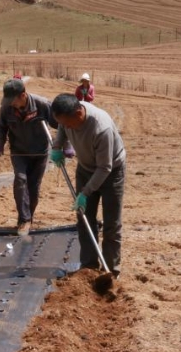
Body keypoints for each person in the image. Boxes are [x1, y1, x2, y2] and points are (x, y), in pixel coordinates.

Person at [49, 93, 126, 278]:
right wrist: (58, 146)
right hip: (85, 168)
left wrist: (85, 193)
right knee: (84, 219)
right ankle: (89, 266)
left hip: (111, 172)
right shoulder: (68, 116)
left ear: (78, 114)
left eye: (68, 123)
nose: (66, 126)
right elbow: (62, 125)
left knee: (111, 224)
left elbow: (104, 167)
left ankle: (111, 271)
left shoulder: (101, 129)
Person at [0, 78, 58, 236]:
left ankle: (28, 216)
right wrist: (0, 144)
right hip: (19, 152)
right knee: (21, 180)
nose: (11, 104)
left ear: (23, 95)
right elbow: (1, 127)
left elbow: (61, 124)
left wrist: (64, 144)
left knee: (33, 189)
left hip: (39, 153)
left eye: (13, 100)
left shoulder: (42, 105)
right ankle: (24, 220)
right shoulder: (6, 108)